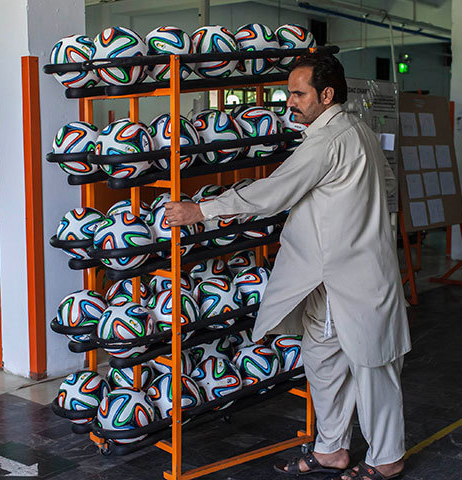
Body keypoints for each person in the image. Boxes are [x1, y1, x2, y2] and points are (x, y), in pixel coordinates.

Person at [165, 52, 411, 480]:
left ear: (327, 94)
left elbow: (274, 191)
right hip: (329, 278)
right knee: (324, 362)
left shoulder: (329, 138)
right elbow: (386, 184)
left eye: (298, 93)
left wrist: (201, 210)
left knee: (372, 367)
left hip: (353, 274)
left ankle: (387, 459)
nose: (289, 102)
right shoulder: (360, 130)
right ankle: (332, 449)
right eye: (288, 93)